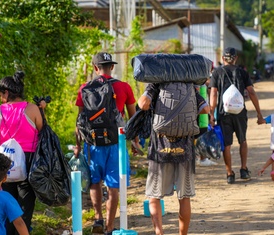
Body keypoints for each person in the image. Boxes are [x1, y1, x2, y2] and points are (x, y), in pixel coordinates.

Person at [74, 52, 137, 235]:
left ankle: (98, 219)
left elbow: (80, 120)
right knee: (113, 185)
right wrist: (134, 141)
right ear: (112, 67)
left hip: (92, 142)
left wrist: (78, 145)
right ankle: (110, 227)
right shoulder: (124, 87)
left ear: (95, 68)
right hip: (116, 142)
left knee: (95, 182)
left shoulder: (84, 88)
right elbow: (133, 118)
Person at [137, 82, 210, 235]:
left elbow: (143, 104)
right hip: (185, 148)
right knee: (184, 196)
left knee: (154, 196)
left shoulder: (155, 84)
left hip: (160, 148)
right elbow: (206, 109)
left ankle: (159, 232)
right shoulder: (189, 87)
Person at [0, 71, 44, 234]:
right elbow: (43, 135)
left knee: (6, 204)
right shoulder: (32, 109)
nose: (0, 99)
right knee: (25, 207)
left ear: (6, 93)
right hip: (28, 161)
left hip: (4, 163)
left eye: (0, 95)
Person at [209, 47, 264, 184]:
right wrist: (259, 113)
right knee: (243, 140)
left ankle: (229, 174)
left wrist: (211, 114)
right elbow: (251, 92)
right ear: (236, 58)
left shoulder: (217, 72)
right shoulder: (242, 72)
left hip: (224, 113)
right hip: (240, 112)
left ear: (223, 59)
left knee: (226, 144)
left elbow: (214, 94)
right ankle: (244, 169)